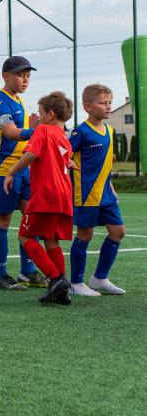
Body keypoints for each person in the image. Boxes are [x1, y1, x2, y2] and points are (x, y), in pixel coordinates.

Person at [3, 91, 76, 305]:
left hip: (46, 194)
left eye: (40, 112)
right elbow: (64, 161)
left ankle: (56, 278)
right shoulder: (65, 139)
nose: (38, 117)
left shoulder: (43, 130)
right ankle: (61, 291)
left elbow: (31, 154)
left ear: (50, 114)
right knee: (50, 239)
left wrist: (11, 172)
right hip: (63, 195)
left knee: (25, 237)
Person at [0, 56, 48, 291]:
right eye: (20, 75)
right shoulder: (0, 101)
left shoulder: (18, 100)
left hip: (23, 169)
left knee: (32, 218)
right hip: (2, 170)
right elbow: (10, 132)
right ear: (5, 76)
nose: (25, 79)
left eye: (28, 75)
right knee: (2, 220)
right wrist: (37, 131)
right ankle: (0, 275)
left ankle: (28, 271)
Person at [68, 84, 127, 296]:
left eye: (110, 102)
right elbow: (62, 153)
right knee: (85, 234)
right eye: (103, 103)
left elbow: (105, 165)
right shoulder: (81, 131)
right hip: (86, 194)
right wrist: (67, 162)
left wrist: (110, 186)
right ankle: (76, 283)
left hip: (106, 194)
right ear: (88, 107)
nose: (108, 106)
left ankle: (100, 278)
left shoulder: (110, 131)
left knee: (118, 232)